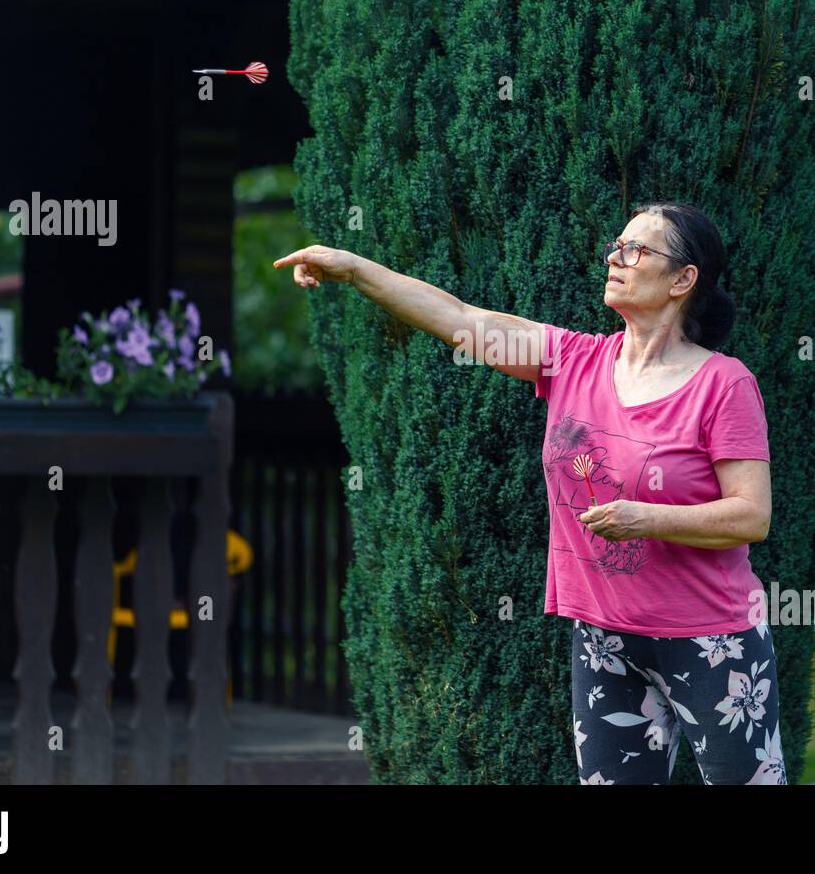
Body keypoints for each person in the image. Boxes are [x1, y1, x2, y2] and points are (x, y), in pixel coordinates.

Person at [275, 202, 782, 785]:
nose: (615, 258)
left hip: (713, 640)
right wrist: (356, 268)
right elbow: (461, 318)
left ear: (683, 279)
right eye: (616, 246)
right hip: (603, 639)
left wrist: (647, 518)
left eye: (637, 250)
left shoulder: (724, 384)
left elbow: (751, 516)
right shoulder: (572, 361)